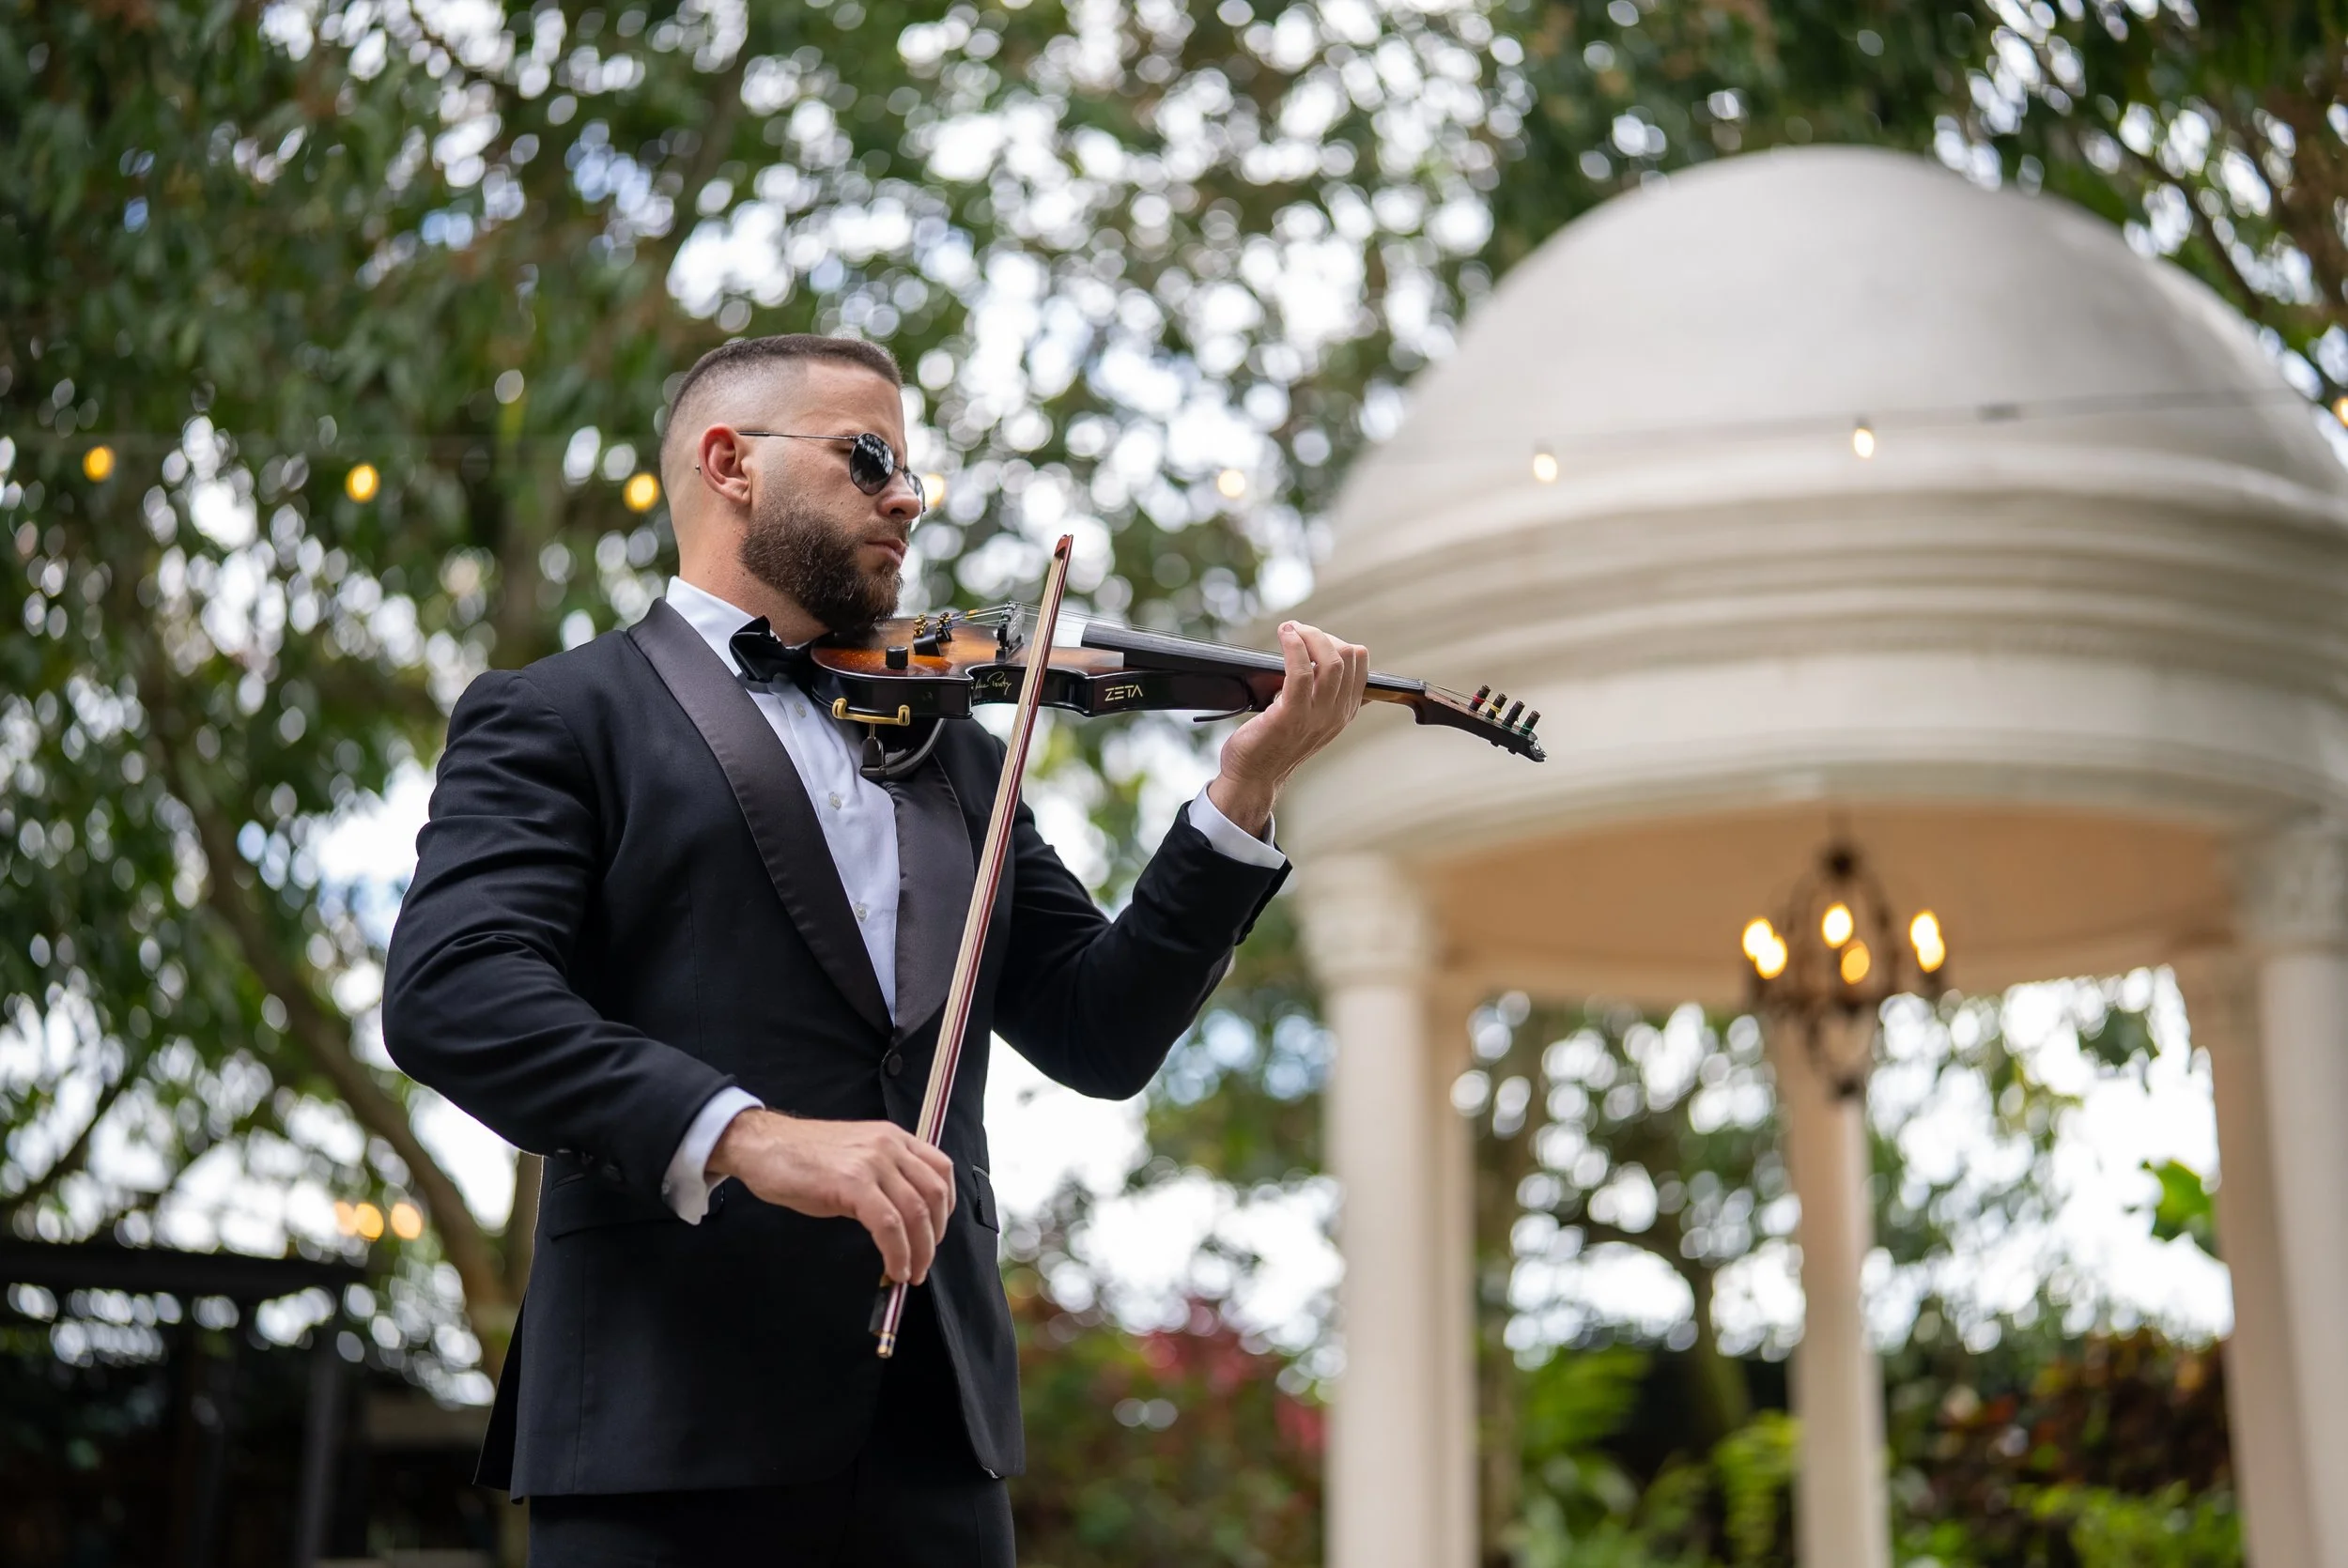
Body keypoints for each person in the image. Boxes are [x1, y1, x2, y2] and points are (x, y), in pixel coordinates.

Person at [381, 332, 1371, 1564]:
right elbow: (452, 993)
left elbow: (1097, 1029)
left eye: (909, 469)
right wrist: (747, 1131)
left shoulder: (955, 747)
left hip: (934, 1446)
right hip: (664, 1431)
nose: (907, 495)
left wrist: (1240, 794)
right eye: (868, 457)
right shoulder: (560, 714)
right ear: (730, 462)